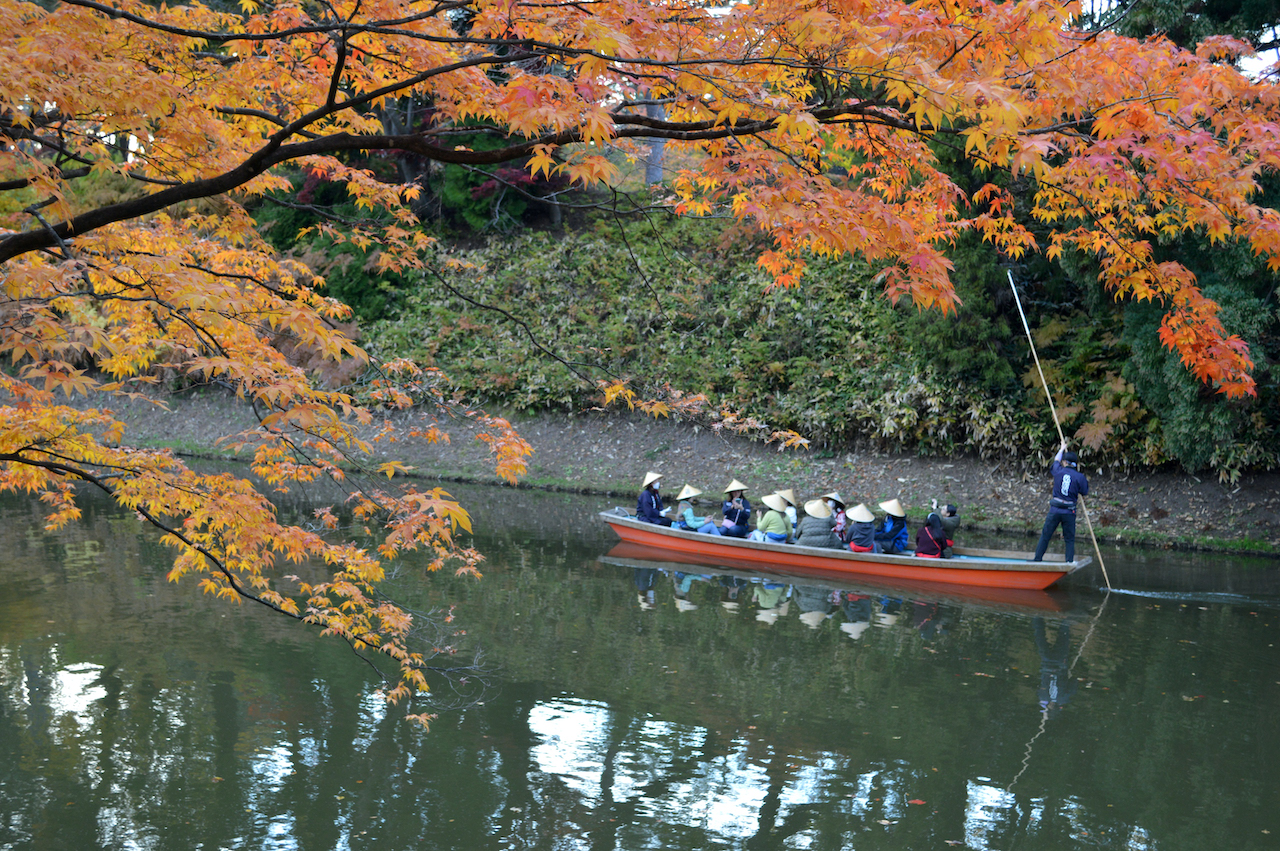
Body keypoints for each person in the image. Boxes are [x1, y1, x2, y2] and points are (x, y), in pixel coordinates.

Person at [1033, 444, 1089, 563]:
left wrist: (1061, 448)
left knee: (1045, 535)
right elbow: (1084, 492)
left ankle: (1037, 560)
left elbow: (1056, 460)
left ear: (1064, 462)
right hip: (1069, 511)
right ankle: (1069, 561)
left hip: (1055, 509)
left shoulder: (1058, 471)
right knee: (1069, 539)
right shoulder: (1080, 477)